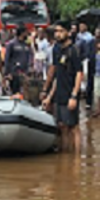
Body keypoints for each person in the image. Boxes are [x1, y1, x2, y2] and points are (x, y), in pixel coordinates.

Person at [42, 21, 83, 152]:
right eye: (56, 32)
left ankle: (76, 162)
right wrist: (49, 96)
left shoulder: (74, 50)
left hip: (70, 93)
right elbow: (56, 75)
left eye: (60, 31)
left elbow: (79, 73)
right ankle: (65, 159)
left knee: (74, 127)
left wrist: (74, 96)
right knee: (61, 126)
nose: (57, 34)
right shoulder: (56, 49)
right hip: (59, 93)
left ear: (68, 32)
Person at [4, 27, 34, 97]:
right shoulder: (11, 44)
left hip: (24, 74)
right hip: (14, 73)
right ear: (22, 33)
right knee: (15, 94)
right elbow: (7, 58)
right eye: (26, 32)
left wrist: (30, 68)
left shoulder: (27, 44)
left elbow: (30, 57)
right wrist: (7, 73)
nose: (27, 34)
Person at [77, 23, 95, 110]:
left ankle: (87, 96)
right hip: (79, 59)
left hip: (86, 59)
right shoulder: (77, 36)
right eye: (80, 26)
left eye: (82, 26)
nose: (81, 28)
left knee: (86, 77)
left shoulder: (90, 37)